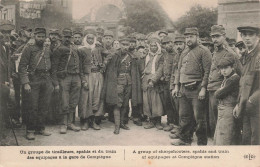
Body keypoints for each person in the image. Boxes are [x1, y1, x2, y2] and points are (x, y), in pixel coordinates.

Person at [171, 27, 212, 145]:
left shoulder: (204, 51)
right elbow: (179, 70)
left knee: (200, 119)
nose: (188, 39)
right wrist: (176, 87)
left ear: (197, 37)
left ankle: (201, 143)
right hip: (183, 89)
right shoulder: (184, 52)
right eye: (187, 37)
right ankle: (185, 139)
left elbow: (207, 72)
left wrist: (203, 88)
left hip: (197, 89)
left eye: (191, 37)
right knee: (184, 116)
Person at [207, 25, 242, 138]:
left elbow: (238, 75)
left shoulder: (230, 53)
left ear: (224, 36)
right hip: (212, 89)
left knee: (224, 123)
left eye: (217, 36)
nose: (214, 39)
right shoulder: (215, 52)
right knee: (215, 122)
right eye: (213, 37)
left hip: (223, 93)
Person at [18, 27, 53, 140]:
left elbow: (50, 66)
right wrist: (26, 82)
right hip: (34, 79)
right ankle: (30, 130)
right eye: (39, 36)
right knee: (32, 106)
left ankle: (40, 128)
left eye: (43, 36)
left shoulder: (47, 49)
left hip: (46, 79)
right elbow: (22, 66)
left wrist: (51, 82)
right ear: (34, 36)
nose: (41, 39)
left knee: (44, 105)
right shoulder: (29, 49)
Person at [233, 24, 260, 145]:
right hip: (246, 105)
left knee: (256, 140)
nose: (247, 38)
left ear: (257, 36)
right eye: (244, 35)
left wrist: (251, 101)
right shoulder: (246, 55)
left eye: (251, 35)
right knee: (246, 139)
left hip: (256, 106)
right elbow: (243, 83)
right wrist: (239, 103)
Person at [52, 28, 81, 134]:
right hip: (65, 77)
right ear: (61, 37)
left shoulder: (74, 48)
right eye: (65, 37)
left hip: (76, 76)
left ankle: (70, 123)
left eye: (69, 37)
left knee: (74, 101)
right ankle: (63, 124)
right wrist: (55, 83)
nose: (67, 39)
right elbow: (54, 67)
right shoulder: (58, 49)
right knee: (64, 101)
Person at [102, 37, 133, 134]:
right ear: (119, 45)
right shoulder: (114, 55)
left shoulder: (130, 56)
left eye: (127, 45)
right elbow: (109, 69)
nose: (125, 47)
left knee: (125, 103)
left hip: (128, 81)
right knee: (117, 104)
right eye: (123, 44)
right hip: (118, 82)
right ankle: (117, 126)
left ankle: (122, 123)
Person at [78, 28, 104, 130]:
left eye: (92, 38)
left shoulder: (98, 49)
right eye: (88, 38)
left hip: (97, 75)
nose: (90, 40)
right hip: (87, 76)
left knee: (96, 98)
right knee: (85, 98)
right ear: (85, 39)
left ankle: (93, 121)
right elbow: (79, 67)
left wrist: (103, 66)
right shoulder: (81, 50)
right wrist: (83, 80)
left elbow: (109, 56)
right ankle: (84, 121)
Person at [214, 57, 240, 145]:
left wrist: (218, 91)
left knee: (225, 134)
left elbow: (218, 94)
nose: (223, 71)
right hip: (223, 108)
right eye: (221, 68)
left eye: (226, 68)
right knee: (221, 133)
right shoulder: (227, 78)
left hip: (228, 109)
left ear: (232, 67)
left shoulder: (233, 79)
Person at [141, 37, 164, 130]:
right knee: (147, 100)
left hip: (155, 80)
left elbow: (160, 70)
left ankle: (158, 121)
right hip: (145, 78)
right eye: (151, 46)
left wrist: (153, 80)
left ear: (158, 46)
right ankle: (150, 120)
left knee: (156, 101)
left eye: (155, 46)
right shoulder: (146, 55)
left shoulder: (160, 56)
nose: (153, 47)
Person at [161, 36, 178, 131]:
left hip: (173, 82)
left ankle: (176, 124)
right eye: (165, 44)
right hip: (165, 82)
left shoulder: (176, 54)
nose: (168, 45)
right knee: (167, 103)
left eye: (169, 43)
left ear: (173, 43)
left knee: (174, 103)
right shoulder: (164, 54)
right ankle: (170, 122)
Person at [128, 36, 143, 126]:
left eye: (133, 42)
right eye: (130, 42)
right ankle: (124, 116)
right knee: (125, 97)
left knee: (135, 97)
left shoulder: (138, 54)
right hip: (126, 77)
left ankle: (136, 116)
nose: (131, 44)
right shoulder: (124, 53)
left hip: (136, 78)